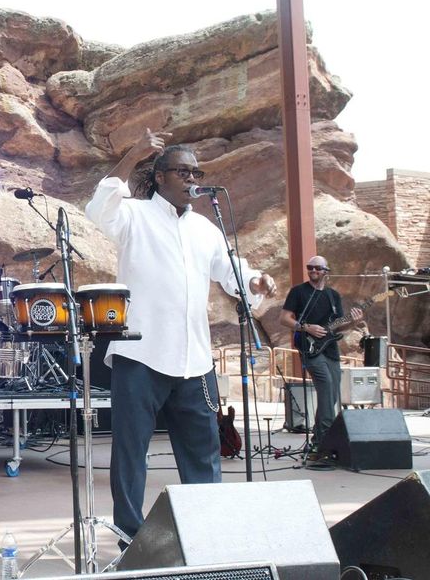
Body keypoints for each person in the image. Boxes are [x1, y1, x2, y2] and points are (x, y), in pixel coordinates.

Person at [85, 129, 277, 543]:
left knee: (203, 450)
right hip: (141, 353)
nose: (192, 179)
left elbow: (232, 271)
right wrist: (134, 150)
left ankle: (204, 532)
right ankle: (130, 535)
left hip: (194, 358)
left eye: (197, 172)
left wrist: (255, 281)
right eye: (183, 172)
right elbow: (99, 206)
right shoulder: (134, 215)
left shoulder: (205, 228)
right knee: (131, 453)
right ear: (159, 177)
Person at [278, 256, 363, 458]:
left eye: (317, 268)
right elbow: (284, 318)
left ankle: (318, 442)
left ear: (327, 271)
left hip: (331, 350)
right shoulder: (299, 292)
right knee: (326, 391)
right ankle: (324, 443)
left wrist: (353, 322)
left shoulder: (333, 296)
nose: (313, 271)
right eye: (310, 268)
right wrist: (306, 327)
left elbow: (339, 325)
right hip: (310, 349)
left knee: (332, 396)